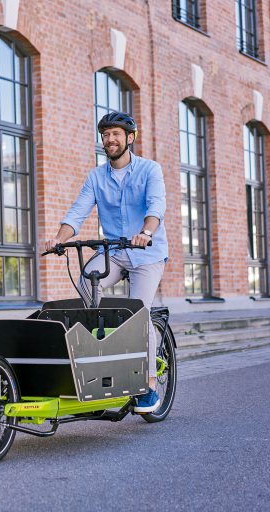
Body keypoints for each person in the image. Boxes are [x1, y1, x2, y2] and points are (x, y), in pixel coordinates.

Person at [44, 111, 168, 413]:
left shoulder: (150, 170)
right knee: (87, 281)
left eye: (115, 134)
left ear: (130, 138)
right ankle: (103, 347)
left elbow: (156, 205)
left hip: (147, 253)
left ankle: (149, 384)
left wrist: (146, 232)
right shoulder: (96, 176)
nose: (109, 140)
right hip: (115, 252)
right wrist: (60, 237)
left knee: (139, 312)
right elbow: (78, 211)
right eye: (105, 135)